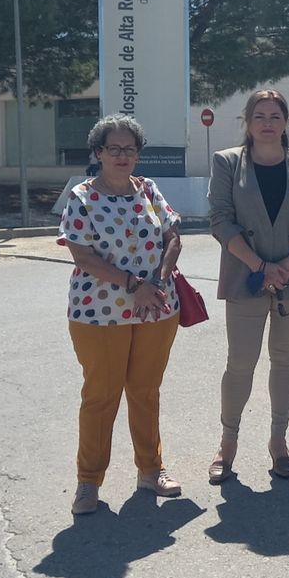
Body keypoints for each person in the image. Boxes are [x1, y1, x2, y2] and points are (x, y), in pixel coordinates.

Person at [60, 114, 185, 515]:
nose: (122, 156)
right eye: (113, 149)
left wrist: (160, 281)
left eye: (129, 149)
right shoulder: (81, 197)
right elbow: (83, 256)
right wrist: (135, 286)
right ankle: (88, 482)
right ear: (97, 153)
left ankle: (151, 470)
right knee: (100, 397)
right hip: (99, 314)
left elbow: (172, 237)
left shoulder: (148, 189)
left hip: (155, 310)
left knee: (146, 393)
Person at [207, 89, 289, 483]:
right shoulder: (227, 162)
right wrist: (261, 265)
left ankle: (279, 441)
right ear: (247, 121)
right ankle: (228, 443)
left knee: (286, 359)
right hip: (246, 275)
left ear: (286, 123)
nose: (267, 123)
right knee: (240, 362)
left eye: (275, 116)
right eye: (259, 115)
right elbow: (221, 221)